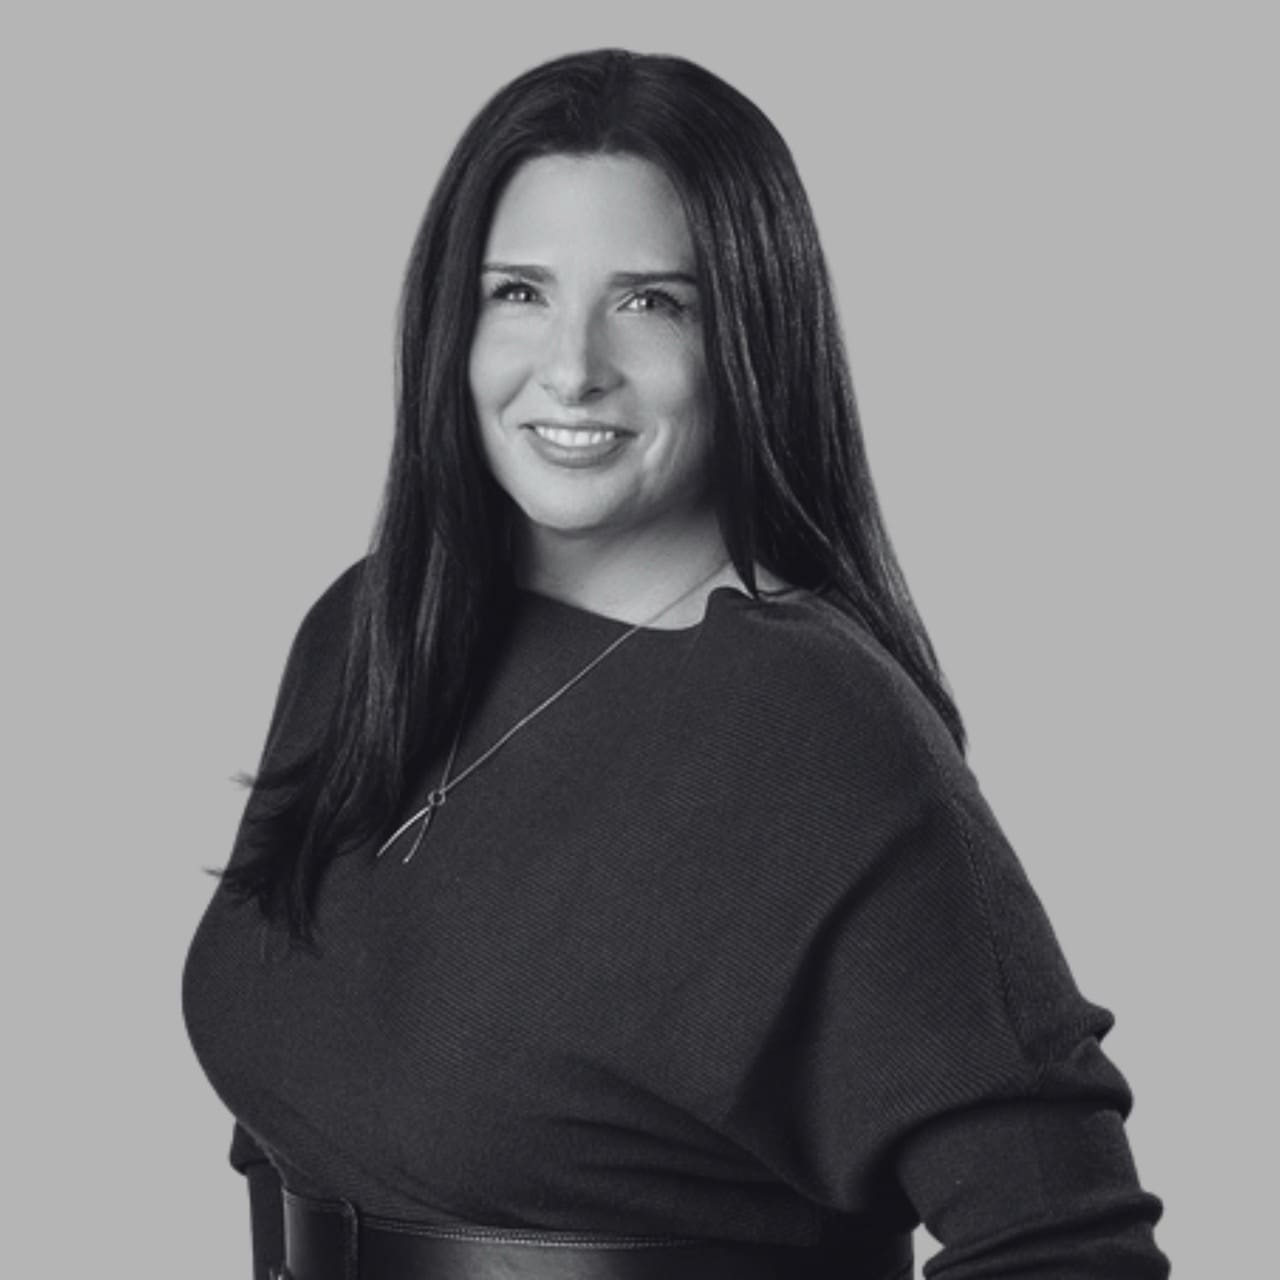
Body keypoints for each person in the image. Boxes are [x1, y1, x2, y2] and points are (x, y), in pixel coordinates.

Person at [183, 48, 1169, 1280]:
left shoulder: (819, 732)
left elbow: (1064, 1239)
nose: (571, 365)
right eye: (518, 292)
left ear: (748, 335)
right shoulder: (371, 628)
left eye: (651, 301)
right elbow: (300, 1106)